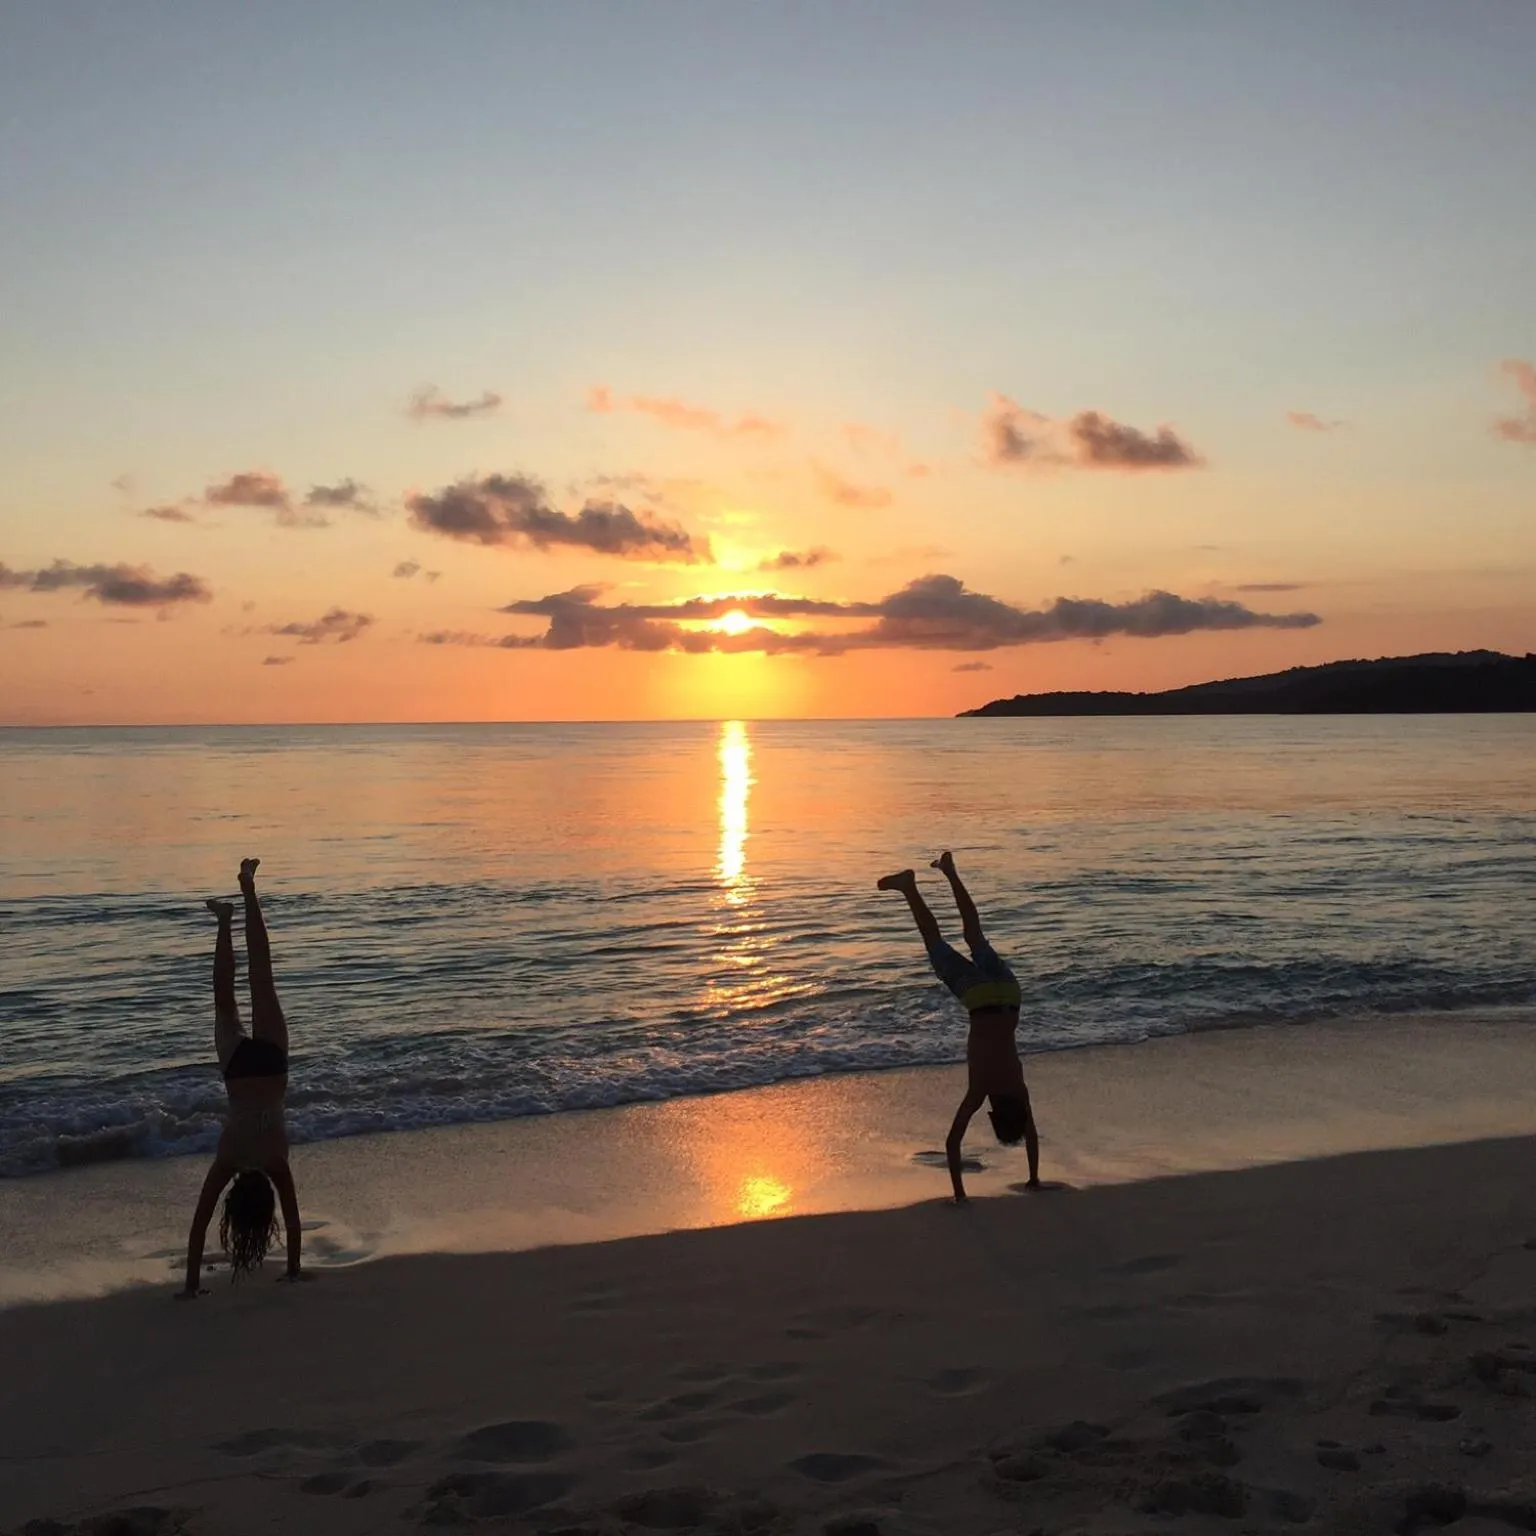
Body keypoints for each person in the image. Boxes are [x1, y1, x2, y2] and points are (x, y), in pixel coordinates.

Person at [878, 851, 1040, 1203]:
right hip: (979, 1000)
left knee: (974, 934)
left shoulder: (1020, 1088)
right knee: (935, 946)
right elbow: (953, 1142)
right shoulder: (980, 1090)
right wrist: (959, 1195)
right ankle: (909, 889)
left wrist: (1034, 1178)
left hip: (1010, 994)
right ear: (994, 1113)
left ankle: (950, 872)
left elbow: (1032, 1134)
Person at [178, 858, 306, 1297]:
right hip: (236, 1069)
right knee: (224, 998)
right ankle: (223, 919)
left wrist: (294, 1267)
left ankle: (248, 887)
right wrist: (191, 1284)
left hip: (271, 1064)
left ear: (263, 1197)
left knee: (261, 973)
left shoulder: (276, 1163)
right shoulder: (228, 1160)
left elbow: (292, 1222)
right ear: (235, 1199)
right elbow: (198, 1227)